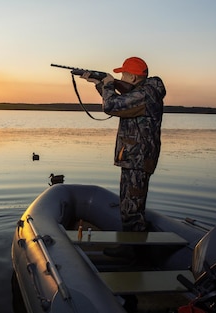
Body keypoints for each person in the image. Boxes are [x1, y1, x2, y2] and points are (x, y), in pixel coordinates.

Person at [81, 57, 166, 258]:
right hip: (134, 155)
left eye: (123, 75)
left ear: (134, 77)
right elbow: (119, 103)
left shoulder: (144, 95)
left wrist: (109, 84)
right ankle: (131, 246)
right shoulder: (143, 92)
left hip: (138, 157)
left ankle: (134, 252)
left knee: (132, 207)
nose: (120, 77)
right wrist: (99, 84)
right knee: (130, 203)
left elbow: (110, 106)